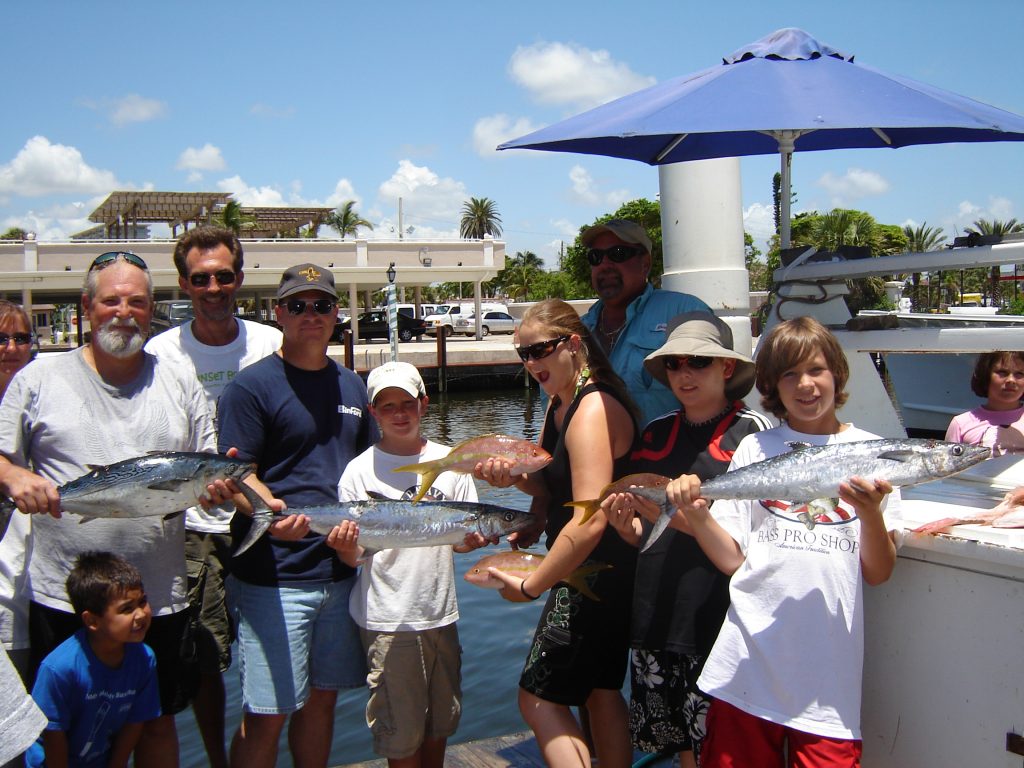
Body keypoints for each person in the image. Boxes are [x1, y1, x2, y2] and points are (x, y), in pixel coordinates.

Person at [0, 250, 217, 768]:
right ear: (86, 307)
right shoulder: (37, 379)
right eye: (111, 300)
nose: (124, 312)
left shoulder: (180, 378)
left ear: (152, 309)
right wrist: (14, 476)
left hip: (158, 597)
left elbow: (208, 462)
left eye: (137, 302)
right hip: (67, 598)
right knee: (60, 729)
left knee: (157, 722)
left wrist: (218, 488)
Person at [651, 316, 899, 767]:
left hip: (828, 680)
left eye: (816, 370)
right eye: (789, 374)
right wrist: (695, 512)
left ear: (837, 374)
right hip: (746, 663)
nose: (805, 385)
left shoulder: (876, 455)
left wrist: (869, 512)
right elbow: (732, 559)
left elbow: (878, 573)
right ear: (771, 386)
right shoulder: (756, 449)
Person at [217, 262, 377, 768]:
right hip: (275, 576)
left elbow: (375, 469)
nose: (312, 315)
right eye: (299, 306)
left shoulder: (353, 386)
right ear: (279, 313)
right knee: (267, 712)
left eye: (323, 305)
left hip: (339, 571)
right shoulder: (250, 387)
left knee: (323, 700)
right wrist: (270, 512)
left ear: (337, 316)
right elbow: (238, 475)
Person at [475, 298, 638, 768]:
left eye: (540, 351)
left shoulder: (591, 408)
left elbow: (590, 519)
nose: (531, 363)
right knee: (600, 692)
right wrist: (514, 480)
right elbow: (553, 487)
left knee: (539, 699)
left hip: (595, 572)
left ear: (572, 344)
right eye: (523, 354)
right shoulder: (561, 404)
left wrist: (532, 583)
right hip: (597, 570)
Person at [603, 312, 772, 768]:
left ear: (727, 368)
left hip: (718, 616)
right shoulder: (655, 432)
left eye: (698, 361)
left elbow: (760, 530)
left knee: (720, 740)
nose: (684, 374)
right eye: (675, 364)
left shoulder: (754, 436)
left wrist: (687, 521)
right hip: (657, 612)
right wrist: (627, 528)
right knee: (680, 741)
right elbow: (642, 530)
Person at [146, 227, 281, 768]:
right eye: (200, 279)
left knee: (272, 643)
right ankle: (219, 760)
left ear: (239, 279)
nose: (213, 287)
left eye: (224, 276)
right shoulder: (161, 352)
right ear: (184, 283)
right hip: (197, 525)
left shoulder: (271, 342)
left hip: (267, 513)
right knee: (205, 654)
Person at [329, 361, 491, 768]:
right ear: (373, 413)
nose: (399, 414)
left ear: (424, 404)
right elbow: (355, 557)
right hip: (388, 621)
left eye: (407, 403)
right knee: (401, 736)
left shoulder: (451, 462)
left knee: (440, 724)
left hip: (440, 616)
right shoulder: (358, 471)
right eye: (387, 407)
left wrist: (470, 544)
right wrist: (344, 546)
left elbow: (459, 544)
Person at [27, 552, 160, 768]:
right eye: (127, 608)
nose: (141, 614)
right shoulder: (59, 668)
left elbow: (135, 723)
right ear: (92, 620)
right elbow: (52, 734)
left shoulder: (145, 659)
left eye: (142, 602)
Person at [579, 218, 711, 424]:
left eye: (618, 254)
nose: (604, 265)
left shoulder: (686, 313)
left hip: (670, 454)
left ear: (645, 264)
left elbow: (715, 401)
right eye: (596, 257)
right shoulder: (577, 330)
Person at [0, 301, 36, 687]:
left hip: (40, 589)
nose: (11, 348)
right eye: (1, 338)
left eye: (21, 338)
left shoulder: (44, 401)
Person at [945, 351, 1024, 455]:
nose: (1011, 380)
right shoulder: (961, 424)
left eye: (1019, 374)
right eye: (1002, 372)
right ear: (985, 376)